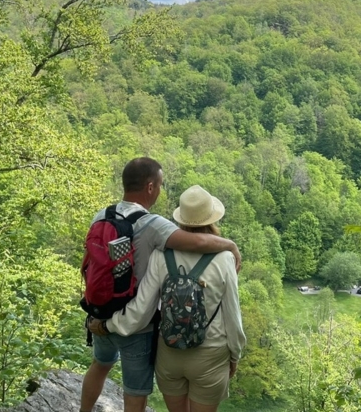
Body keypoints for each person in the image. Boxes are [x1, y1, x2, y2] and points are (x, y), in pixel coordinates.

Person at [80, 159, 241, 412]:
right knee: (135, 392)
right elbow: (196, 242)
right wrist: (230, 245)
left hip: (101, 312)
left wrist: (98, 313)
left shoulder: (102, 215)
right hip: (137, 327)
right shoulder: (151, 224)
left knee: (100, 365)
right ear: (151, 187)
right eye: (161, 185)